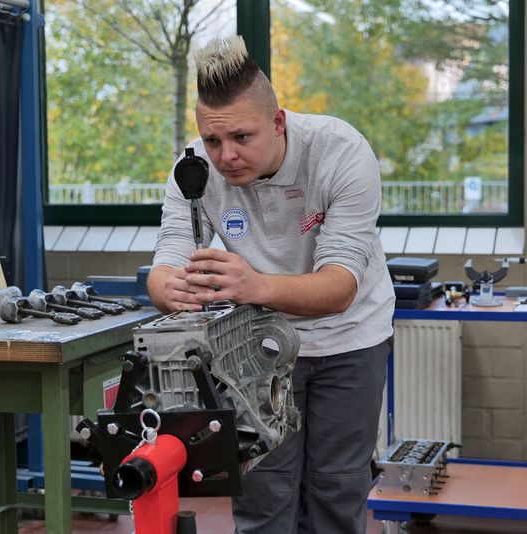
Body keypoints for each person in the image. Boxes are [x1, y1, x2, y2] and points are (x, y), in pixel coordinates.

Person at [147, 35, 395, 534]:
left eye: (242, 137)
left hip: (349, 338)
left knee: (336, 489)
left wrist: (253, 285)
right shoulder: (193, 167)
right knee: (264, 491)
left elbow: (339, 286)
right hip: (257, 347)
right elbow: (167, 257)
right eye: (213, 141)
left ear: (278, 121)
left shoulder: (341, 153)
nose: (226, 156)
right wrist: (166, 288)